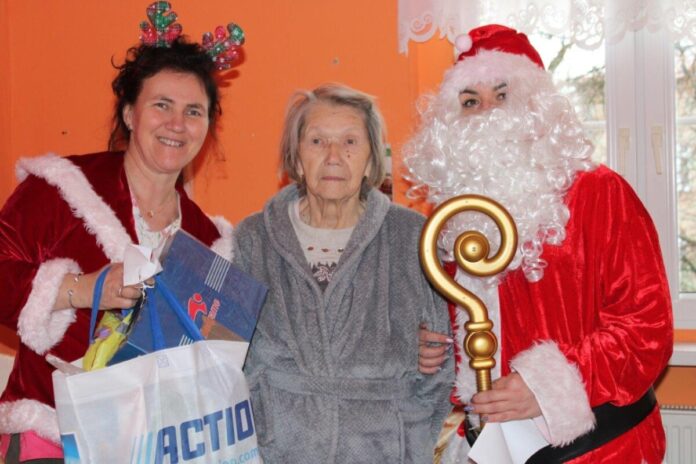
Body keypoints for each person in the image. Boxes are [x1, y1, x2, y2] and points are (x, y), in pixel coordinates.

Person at [404, 24, 673, 463]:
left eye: (502, 94)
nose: (487, 112)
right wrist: (428, 348)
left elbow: (646, 330)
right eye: (470, 101)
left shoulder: (599, 193)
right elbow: (465, 325)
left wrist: (544, 386)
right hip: (491, 448)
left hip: (602, 449)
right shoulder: (453, 218)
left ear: (536, 104)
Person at [0, 6, 242, 460]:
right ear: (130, 113)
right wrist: (80, 289)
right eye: (162, 105)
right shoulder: (60, 189)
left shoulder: (210, 243)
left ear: (207, 126)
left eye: (194, 111)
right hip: (50, 436)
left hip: (153, 449)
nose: (177, 123)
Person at [233, 83, 453, 463]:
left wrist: (411, 442)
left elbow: (440, 369)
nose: (334, 156)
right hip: (279, 451)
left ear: (371, 160)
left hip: (385, 452)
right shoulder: (253, 239)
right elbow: (232, 358)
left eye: (350, 142)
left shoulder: (411, 236)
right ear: (297, 158)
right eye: (317, 141)